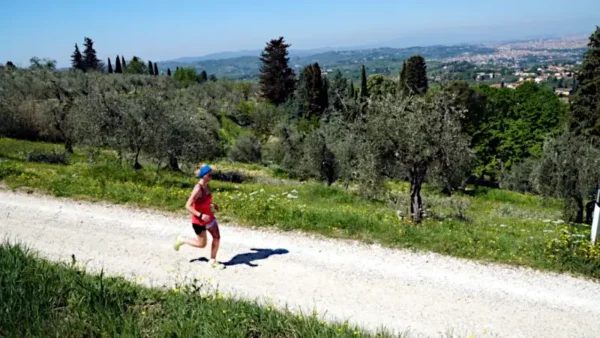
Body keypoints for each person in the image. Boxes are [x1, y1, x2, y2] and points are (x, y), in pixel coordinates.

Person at [174, 164, 224, 269]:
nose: (211, 177)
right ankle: (182, 240)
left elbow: (203, 201)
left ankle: (212, 261)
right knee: (202, 244)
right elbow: (187, 205)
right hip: (199, 221)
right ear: (203, 175)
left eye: (211, 175)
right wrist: (200, 215)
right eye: (209, 175)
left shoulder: (207, 186)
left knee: (217, 237)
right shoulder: (198, 188)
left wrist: (212, 204)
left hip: (209, 217)